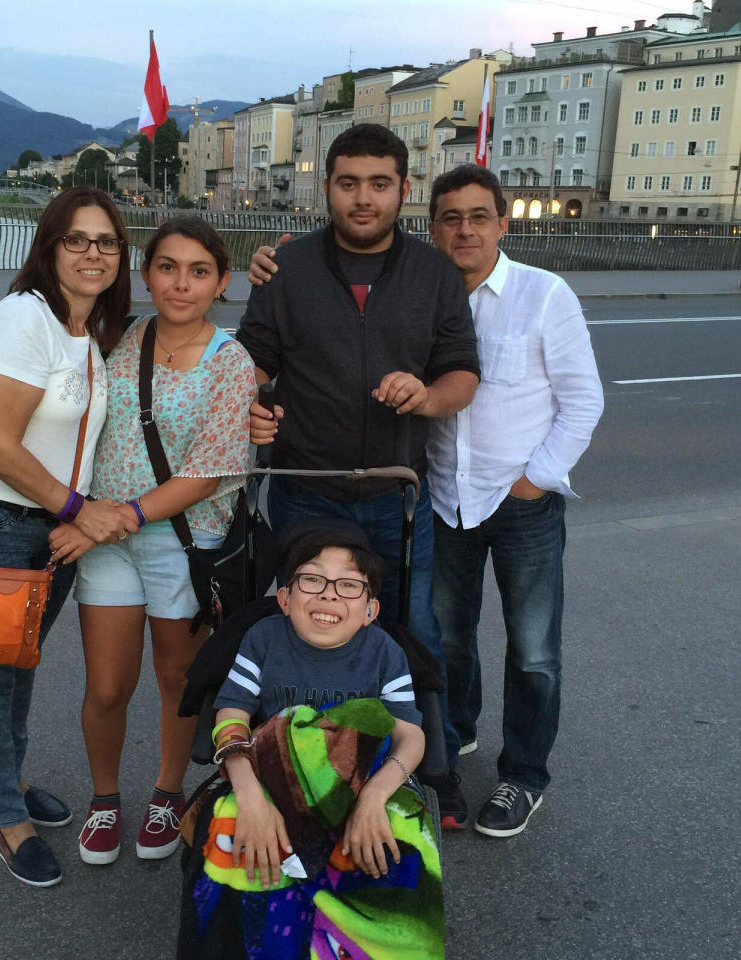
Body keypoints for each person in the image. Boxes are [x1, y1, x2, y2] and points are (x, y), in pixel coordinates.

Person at [242, 123, 480, 828]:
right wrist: (247, 400)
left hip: (398, 498)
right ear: (328, 188)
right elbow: (253, 360)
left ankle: (435, 772)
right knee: (307, 633)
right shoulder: (286, 268)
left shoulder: (435, 273)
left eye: (379, 183)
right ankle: (301, 771)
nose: (363, 198)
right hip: (305, 492)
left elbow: (462, 370)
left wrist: (427, 396)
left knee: (417, 637)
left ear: (403, 190)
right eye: (348, 183)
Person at [0, 186, 137, 887]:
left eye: (106, 242)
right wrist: (79, 507)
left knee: (19, 667)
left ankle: (7, 784)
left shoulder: (87, 330)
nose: (93, 253)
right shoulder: (26, 318)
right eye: (76, 240)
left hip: (44, 531)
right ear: (48, 246)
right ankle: (5, 817)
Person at [47, 216, 256, 866]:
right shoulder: (117, 339)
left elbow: (205, 473)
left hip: (186, 545)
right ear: (146, 274)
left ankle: (168, 792)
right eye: (168, 267)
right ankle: (104, 797)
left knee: (176, 680)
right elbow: (50, 399)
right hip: (105, 541)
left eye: (200, 271)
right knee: (107, 685)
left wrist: (113, 518)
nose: (182, 284)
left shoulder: (232, 362)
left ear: (222, 282)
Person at [425, 165, 604, 836]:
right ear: (433, 227)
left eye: (478, 216)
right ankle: (458, 731)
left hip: (521, 501)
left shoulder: (542, 294)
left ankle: (524, 775)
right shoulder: (424, 296)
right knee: (446, 635)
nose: (465, 228)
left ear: (503, 223)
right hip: (446, 500)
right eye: (450, 217)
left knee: (533, 649)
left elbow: (583, 399)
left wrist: (537, 478)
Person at [177, 527, 443, 959]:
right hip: (271, 770)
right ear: (285, 598)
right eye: (312, 579)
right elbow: (231, 714)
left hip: (364, 777)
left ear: (370, 609)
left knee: (402, 837)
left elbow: (409, 733)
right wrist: (250, 796)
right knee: (225, 823)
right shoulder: (263, 639)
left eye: (349, 585)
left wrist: (373, 798)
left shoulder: (384, 652)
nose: (329, 595)